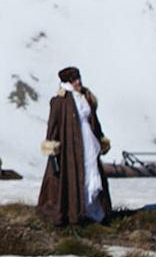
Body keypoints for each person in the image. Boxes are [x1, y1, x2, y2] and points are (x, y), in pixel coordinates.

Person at [36, 66, 112, 226]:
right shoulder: (60, 100)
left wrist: (100, 137)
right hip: (70, 145)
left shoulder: (86, 96)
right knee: (74, 175)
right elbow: (53, 124)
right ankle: (74, 212)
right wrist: (51, 144)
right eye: (75, 80)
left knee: (91, 172)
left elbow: (94, 121)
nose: (79, 82)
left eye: (79, 78)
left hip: (88, 142)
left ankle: (92, 210)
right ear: (68, 82)